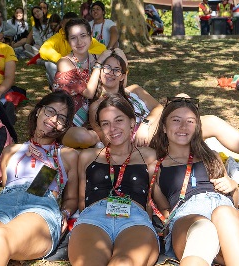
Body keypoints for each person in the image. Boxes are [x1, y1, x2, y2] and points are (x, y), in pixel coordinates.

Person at [90, 49, 239, 181]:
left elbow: (158, 108)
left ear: (123, 75)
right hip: (141, 147)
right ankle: (219, 155)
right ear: (98, 71)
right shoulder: (97, 105)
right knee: (197, 113)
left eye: (116, 69)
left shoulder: (134, 90)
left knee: (187, 103)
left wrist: (147, 123)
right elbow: (106, 138)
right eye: (106, 68)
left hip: (155, 131)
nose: (111, 73)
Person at [0, 91, 79, 265]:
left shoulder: (66, 155)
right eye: (50, 111)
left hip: (40, 205)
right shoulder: (11, 151)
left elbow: (71, 198)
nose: (54, 119)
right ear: (38, 111)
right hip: (3, 203)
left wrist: (65, 212)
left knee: (0, 238)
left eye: (62, 118)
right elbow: (7, 187)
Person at [149, 95, 239, 266]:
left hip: (226, 217)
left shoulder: (210, 156)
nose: (183, 126)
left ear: (197, 127)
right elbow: (165, 209)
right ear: (163, 126)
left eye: (190, 121)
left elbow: (233, 203)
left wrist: (233, 187)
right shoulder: (157, 166)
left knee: (224, 212)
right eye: (176, 120)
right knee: (203, 229)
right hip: (188, 218)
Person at [68, 94, 159, 266]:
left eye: (119, 120)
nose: (113, 128)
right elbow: (82, 202)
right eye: (105, 123)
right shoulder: (88, 156)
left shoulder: (148, 155)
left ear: (132, 122)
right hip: (94, 217)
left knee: (124, 263)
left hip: (135, 217)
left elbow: (150, 199)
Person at [53, 18, 104, 148]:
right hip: (68, 120)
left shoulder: (98, 59)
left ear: (90, 36)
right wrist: (98, 65)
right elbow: (88, 93)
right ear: (68, 41)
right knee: (82, 137)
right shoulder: (65, 62)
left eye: (83, 36)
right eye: (73, 38)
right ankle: (101, 138)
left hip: (97, 117)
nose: (79, 42)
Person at [39, 12, 106, 88]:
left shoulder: (86, 38)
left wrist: (83, 55)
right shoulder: (58, 37)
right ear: (62, 24)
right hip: (65, 69)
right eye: (67, 24)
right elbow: (44, 50)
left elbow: (102, 48)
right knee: (50, 65)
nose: (79, 41)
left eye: (72, 24)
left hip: (84, 68)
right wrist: (64, 59)